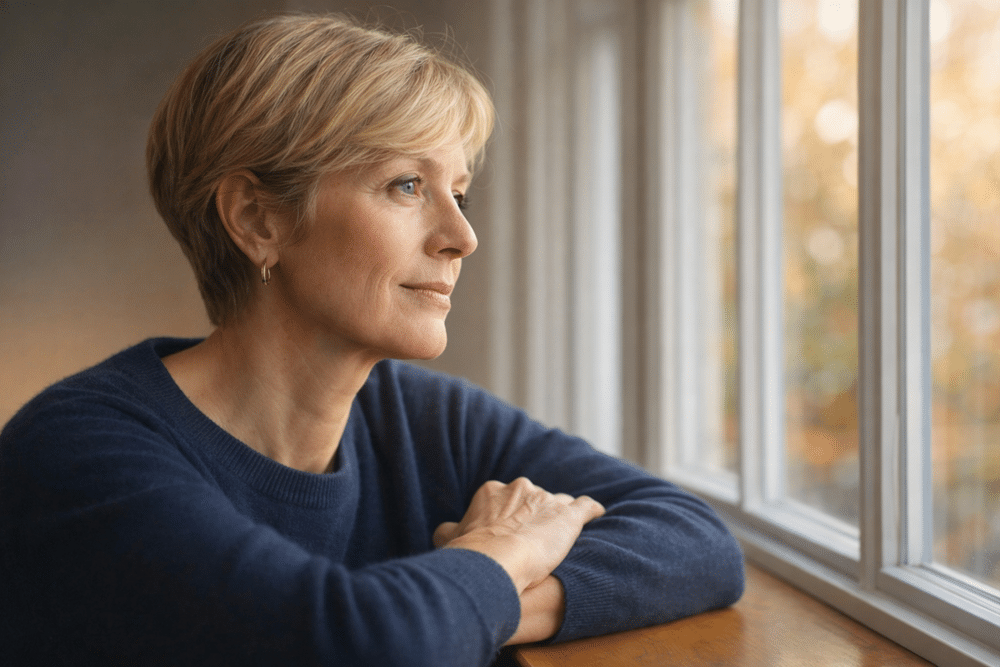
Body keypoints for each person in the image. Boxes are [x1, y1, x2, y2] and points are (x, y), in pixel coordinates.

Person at [0, 13, 744, 667]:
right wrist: (498, 552)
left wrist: (469, 603)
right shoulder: (76, 454)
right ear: (259, 220)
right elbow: (354, 645)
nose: (463, 236)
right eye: (405, 186)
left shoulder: (419, 417)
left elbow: (698, 543)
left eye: (459, 191)